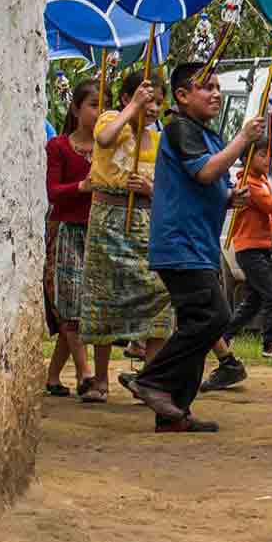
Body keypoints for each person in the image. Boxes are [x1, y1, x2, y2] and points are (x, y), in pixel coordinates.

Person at [124, 63, 263, 433]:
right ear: (182, 96)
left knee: (196, 322)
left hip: (196, 242)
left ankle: (173, 413)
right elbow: (203, 172)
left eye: (218, 86)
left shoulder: (203, 133)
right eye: (206, 87)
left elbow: (206, 184)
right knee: (213, 317)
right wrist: (242, 139)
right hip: (179, 243)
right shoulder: (179, 128)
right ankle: (152, 380)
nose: (215, 93)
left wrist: (230, 196)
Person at [79, 70, 175, 403]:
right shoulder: (110, 120)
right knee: (103, 297)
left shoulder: (159, 140)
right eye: (148, 100)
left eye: (158, 103)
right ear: (127, 98)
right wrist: (132, 109)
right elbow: (104, 140)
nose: (152, 108)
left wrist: (150, 189)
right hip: (108, 220)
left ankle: (148, 379)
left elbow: (169, 186)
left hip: (145, 224)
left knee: (159, 295)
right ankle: (100, 380)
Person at [44, 80, 97, 397]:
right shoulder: (59, 147)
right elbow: (53, 193)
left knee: (80, 307)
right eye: (92, 104)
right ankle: (86, 372)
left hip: (96, 232)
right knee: (70, 304)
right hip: (65, 231)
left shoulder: (108, 147)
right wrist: (81, 187)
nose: (99, 111)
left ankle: (53, 377)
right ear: (76, 108)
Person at [222, 149, 272, 360]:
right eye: (261, 155)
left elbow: (267, 215)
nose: (267, 159)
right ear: (247, 160)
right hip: (250, 251)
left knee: (253, 302)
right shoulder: (248, 185)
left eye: (267, 155)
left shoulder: (262, 180)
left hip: (260, 249)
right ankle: (269, 345)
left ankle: (223, 337)